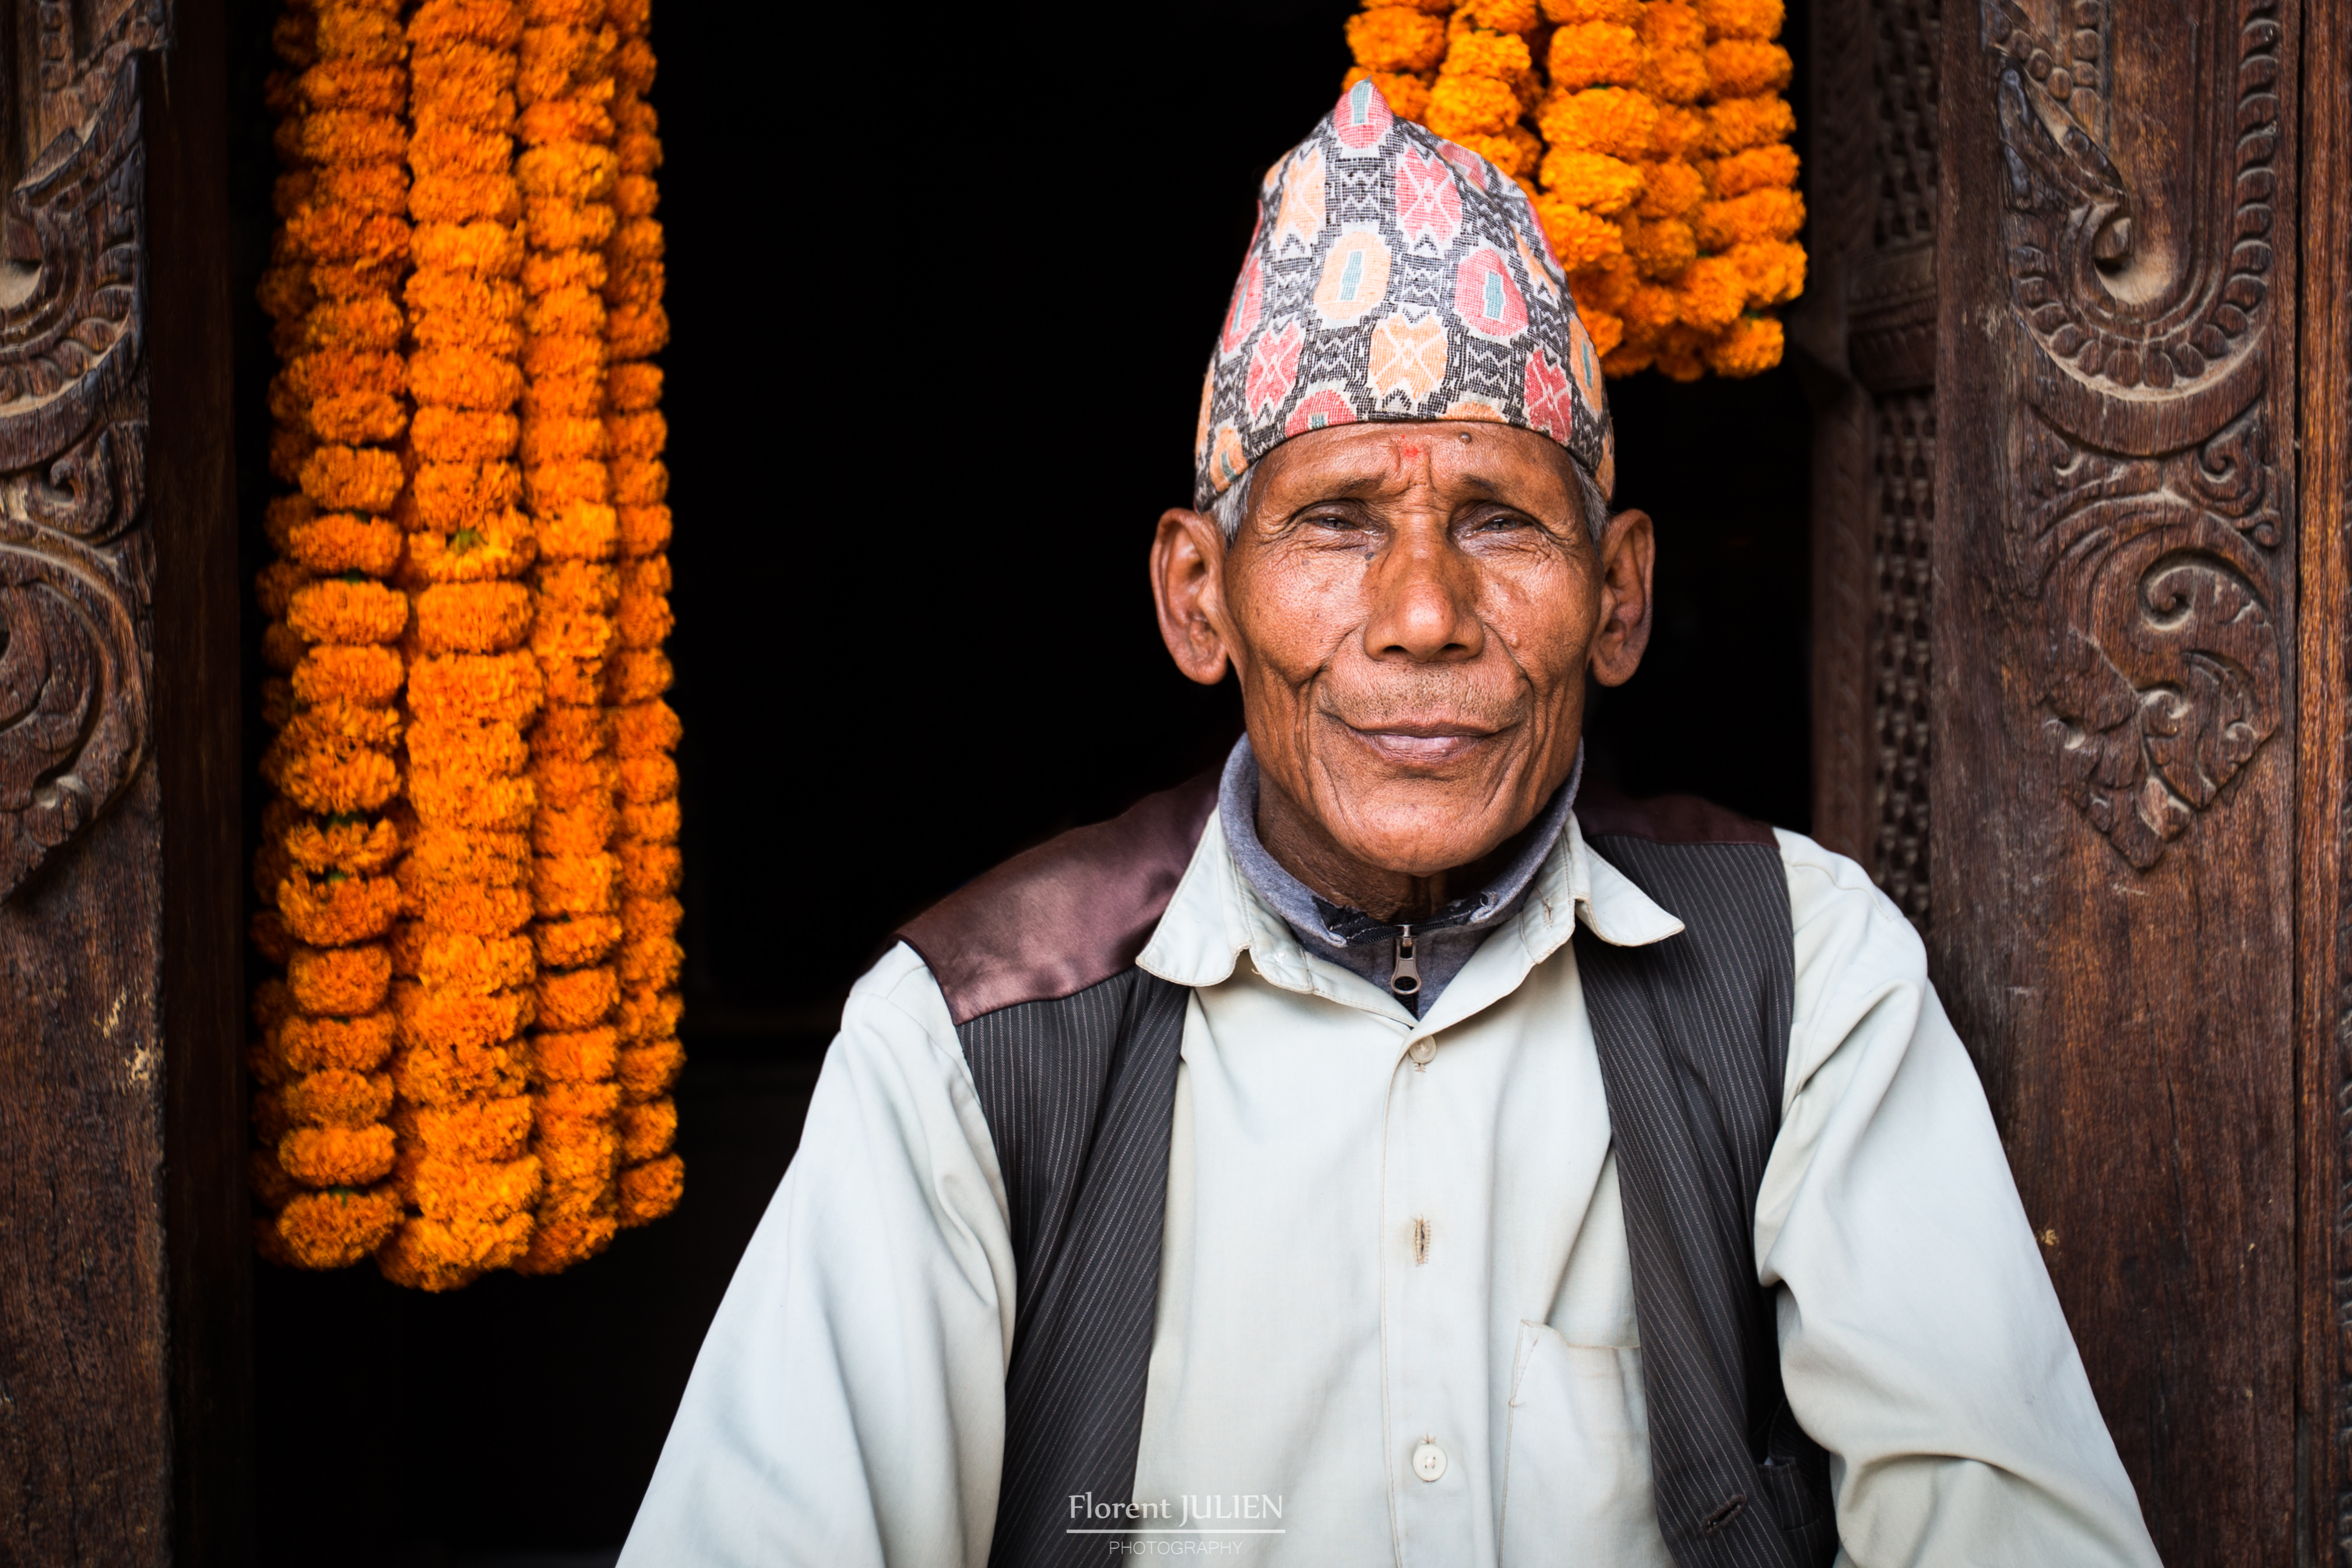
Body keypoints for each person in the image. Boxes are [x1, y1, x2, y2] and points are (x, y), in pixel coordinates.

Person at [620, 82, 2161, 1568]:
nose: (1423, 614)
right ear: (1194, 596)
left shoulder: (1797, 967)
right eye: (1336, 520)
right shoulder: (970, 1033)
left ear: (1616, 594)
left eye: (1497, 517)